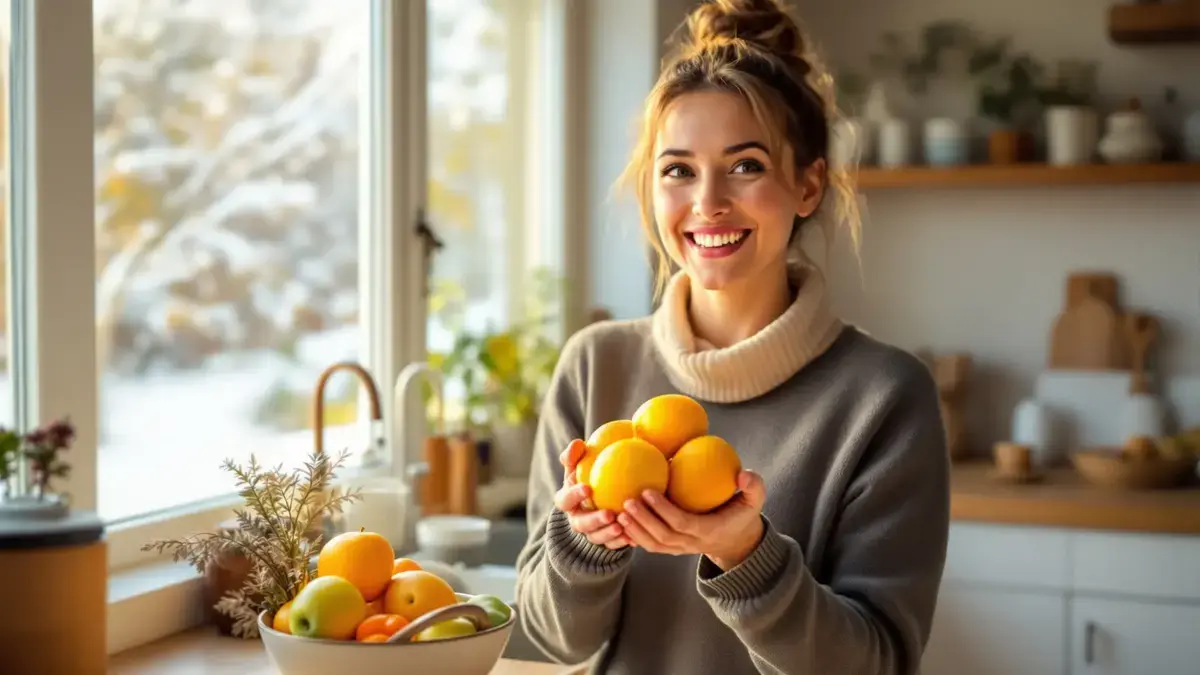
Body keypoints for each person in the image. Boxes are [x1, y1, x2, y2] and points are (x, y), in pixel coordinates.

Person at [513, 0, 950, 673]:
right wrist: (584, 543)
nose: (707, 201)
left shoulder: (885, 397)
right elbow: (552, 639)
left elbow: (879, 662)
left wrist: (747, 557)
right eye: (678, 170)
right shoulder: (596, 364)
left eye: (745, 166)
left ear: (807, 185)